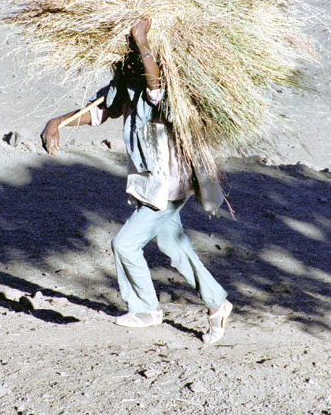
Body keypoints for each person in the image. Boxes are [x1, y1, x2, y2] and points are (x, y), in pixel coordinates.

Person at [41, 19, 232, 344]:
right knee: (172, 244)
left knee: (125, 244)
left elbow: (154, 85)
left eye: (135, 54)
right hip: (158, 184)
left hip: (166, 185)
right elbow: (99, 111)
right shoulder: (125, 81)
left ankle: (146, 309)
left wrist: (141, 38)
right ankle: (217, 304)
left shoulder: (162, 86)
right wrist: (57, 122)